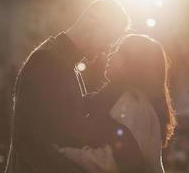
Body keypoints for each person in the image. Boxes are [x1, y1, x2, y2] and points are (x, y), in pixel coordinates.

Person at [4, 0, 144, 173]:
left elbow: (66, 120)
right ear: (93, 23)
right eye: (108, 39)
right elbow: (29, 141)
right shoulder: (47, 62)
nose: (106, 50)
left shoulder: (62, 63)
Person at [56, 34, 177, 172]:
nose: (110, 54)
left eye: (119, 50)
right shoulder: (136, 101)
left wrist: (61, 152)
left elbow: (110, 162)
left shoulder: (131, 103)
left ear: (132, 61)